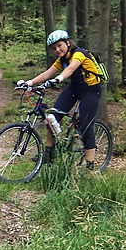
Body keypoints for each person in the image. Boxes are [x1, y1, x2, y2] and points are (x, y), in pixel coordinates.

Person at [18, 30, 104, 168]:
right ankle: (49, 155)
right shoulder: (62, 59)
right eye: (54, 48)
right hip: (74, 89)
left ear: (68, 43)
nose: (57, 50)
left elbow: (70, 69)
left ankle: (90, 164)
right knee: (51, 117)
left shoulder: (79, 54)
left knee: (85, 125)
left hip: (90, 91)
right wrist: (29, 83)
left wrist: (58, 79)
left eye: (60, 45)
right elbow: (48, 73)